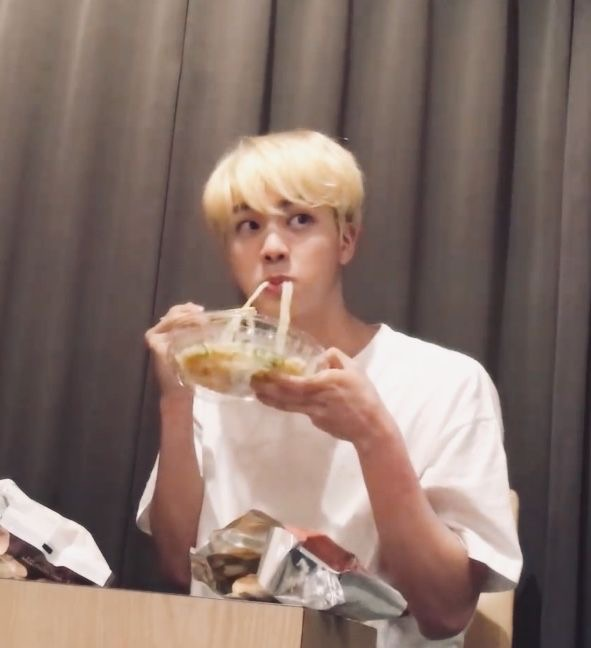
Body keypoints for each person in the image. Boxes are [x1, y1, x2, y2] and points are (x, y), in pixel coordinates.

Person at [137, 129, 522, 647]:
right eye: (248, 226)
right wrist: (176, 397)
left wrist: (372, 435)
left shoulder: (445, 382)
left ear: (346, 240)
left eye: (300, 220)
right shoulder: (215, 381)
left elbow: (446, 611)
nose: (273, 248)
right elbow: (178, 569)